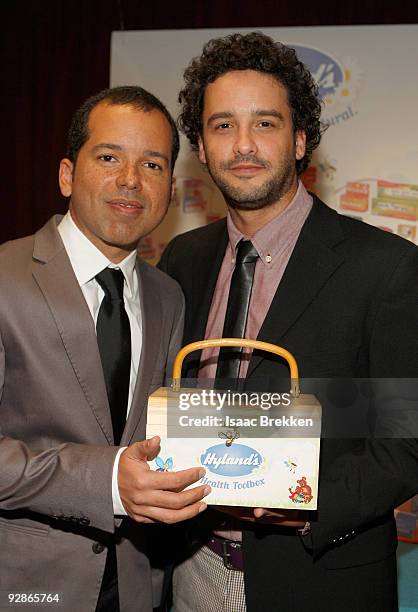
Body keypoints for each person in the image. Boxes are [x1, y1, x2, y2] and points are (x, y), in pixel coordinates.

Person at [158, 33, 418, 611]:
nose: (243, 145)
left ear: (301, 139)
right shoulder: (182, 259)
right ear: (200, 144)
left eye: (266, 124)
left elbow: (407, 441)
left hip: (318, 576)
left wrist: (307, 503)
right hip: (189, 567)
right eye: (223, 125)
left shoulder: (384, 267)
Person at [0, 86, 211, 612]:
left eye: (153, 164)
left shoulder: (168, 297)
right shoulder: (5, 277)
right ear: (67, 173)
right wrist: (107, 481)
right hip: (25, 586)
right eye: (110, 157)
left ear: (169, 188)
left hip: (139, 585)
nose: (130, 181)